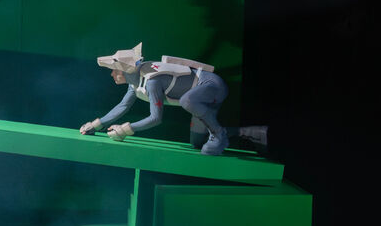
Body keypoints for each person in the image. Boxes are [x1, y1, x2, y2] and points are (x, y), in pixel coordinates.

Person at [78, 43, 263, 156]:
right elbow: (123, 106)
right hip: (199, 98)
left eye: (114, 70)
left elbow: (156, 118)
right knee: (198, 143)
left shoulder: (152, 82)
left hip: (212, 86)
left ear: (126, 71)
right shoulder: (135, 83)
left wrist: (126, 130)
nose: (112, 74)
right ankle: (251, 133)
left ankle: (219, 135)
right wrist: (96, 125)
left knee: (187, 101)